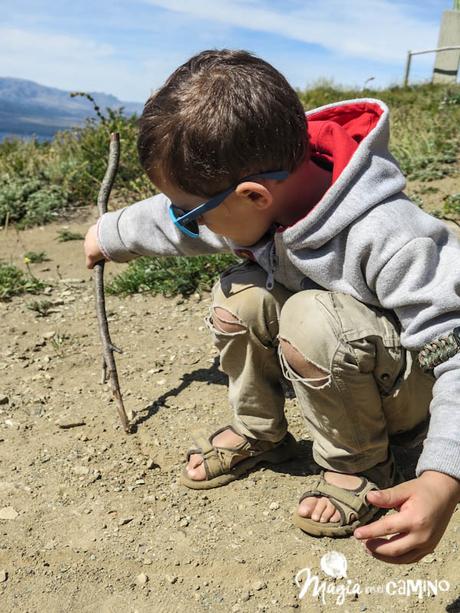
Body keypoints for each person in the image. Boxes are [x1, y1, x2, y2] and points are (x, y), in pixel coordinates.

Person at [84, 49, 460, 564]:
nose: (190, 225)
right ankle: (263, 433)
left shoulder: (388, 234)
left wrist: (443, 478)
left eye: (192, 214)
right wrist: (108, 234)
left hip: (409, 394)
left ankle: (365, 465)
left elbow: (456, 346)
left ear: (253, 195)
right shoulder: (262, 196)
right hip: (348, 360)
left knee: (311, 318)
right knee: (241, 298)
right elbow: (172, 223)